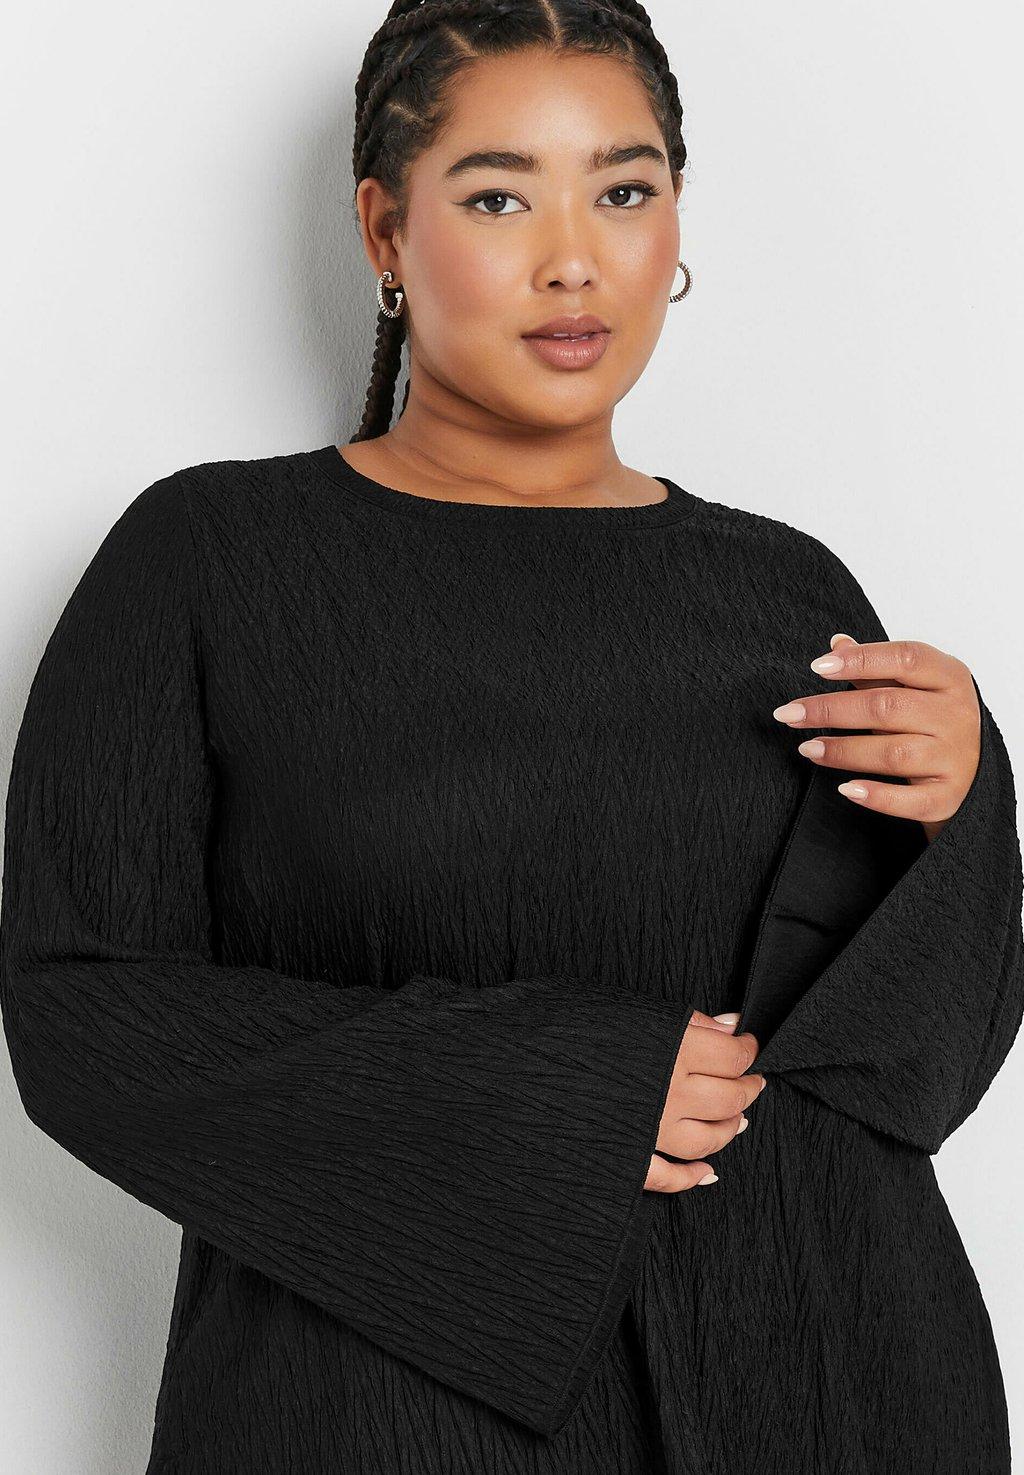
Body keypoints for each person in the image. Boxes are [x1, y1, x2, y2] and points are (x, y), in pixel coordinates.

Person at [1, 3, 1021, 1472]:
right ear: (384, 230)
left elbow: (899, 1080)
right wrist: (558, 1096)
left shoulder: (788, 591)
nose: (574, 259)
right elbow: (84, 1021)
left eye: (625, 190)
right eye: (497, 197)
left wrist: (963, 807)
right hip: (379, 1417)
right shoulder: (209, 562)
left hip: (816, 1384)